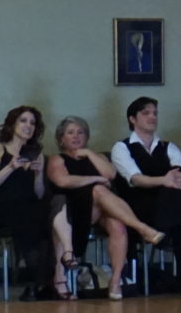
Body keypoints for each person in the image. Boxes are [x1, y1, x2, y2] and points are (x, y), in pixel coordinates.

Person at [47, 116, 165, 301]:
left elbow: (110, 174)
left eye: (80, 132)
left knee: (118, 225)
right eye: (70, 133)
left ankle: (115, 281)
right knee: (99, 189)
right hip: (74, 210)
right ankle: (142, 228)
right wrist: (95, 179)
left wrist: (89, 153)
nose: (76, 136)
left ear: (87, 136)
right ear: (61, 138)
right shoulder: (57, 159)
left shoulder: (98, 157)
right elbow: (62, 181)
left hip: (102, 209)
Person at [110, 97, 181, 299]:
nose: (152, 117)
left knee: (179, 200)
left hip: (170, 207)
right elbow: (135, 179)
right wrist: (165, 180)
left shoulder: (168, 147)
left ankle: (164, 233)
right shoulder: (122, 147)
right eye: (146, 113)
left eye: (155, 113)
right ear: (132, 119)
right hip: (138, 208)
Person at [0, 106, 57, 300]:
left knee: (48, 219)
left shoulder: (36, 154)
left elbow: (39, 193)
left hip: (31, 206)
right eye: (23, 121)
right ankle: (36, 282)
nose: (28, 126)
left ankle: (45, 281)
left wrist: (39, 174)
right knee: (31, 219)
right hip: (7, 209)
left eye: (32, 123)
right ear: (12, 124)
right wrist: (11, 167)